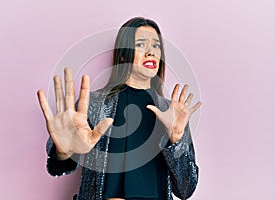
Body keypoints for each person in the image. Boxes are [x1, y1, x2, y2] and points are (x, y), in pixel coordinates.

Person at [37, 17, 202, 200]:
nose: (151, 53)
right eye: (140, 44)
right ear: (123, 55)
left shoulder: (171, 112)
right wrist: (63, 152)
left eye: (156, 46)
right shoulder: (94, 103)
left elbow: (186, 189)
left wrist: (176, 139)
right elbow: (59, 166)